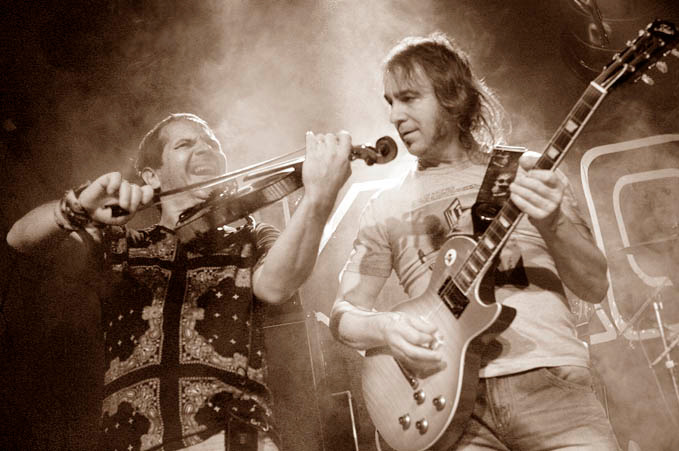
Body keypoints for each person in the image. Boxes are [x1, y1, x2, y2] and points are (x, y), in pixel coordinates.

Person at [330, 33, 620, 450]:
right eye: (390, 102)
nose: (395, 115)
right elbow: (344, 314)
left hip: (550, 383)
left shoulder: (529, 171)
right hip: (446, 405)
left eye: (409, 98)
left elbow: (594, 286)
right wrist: (386, 328)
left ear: (453, 96)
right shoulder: (385, 206)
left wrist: (553, 222)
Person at [6, 113, 352, 451]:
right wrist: (78, 207)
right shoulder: (123, 245)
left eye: (212, 143)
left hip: (233, 438)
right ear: (151, 176)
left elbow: (276, 286)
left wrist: (318, 199)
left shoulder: (250, 236)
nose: (205, 149)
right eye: (185, 144)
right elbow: (20, 238)